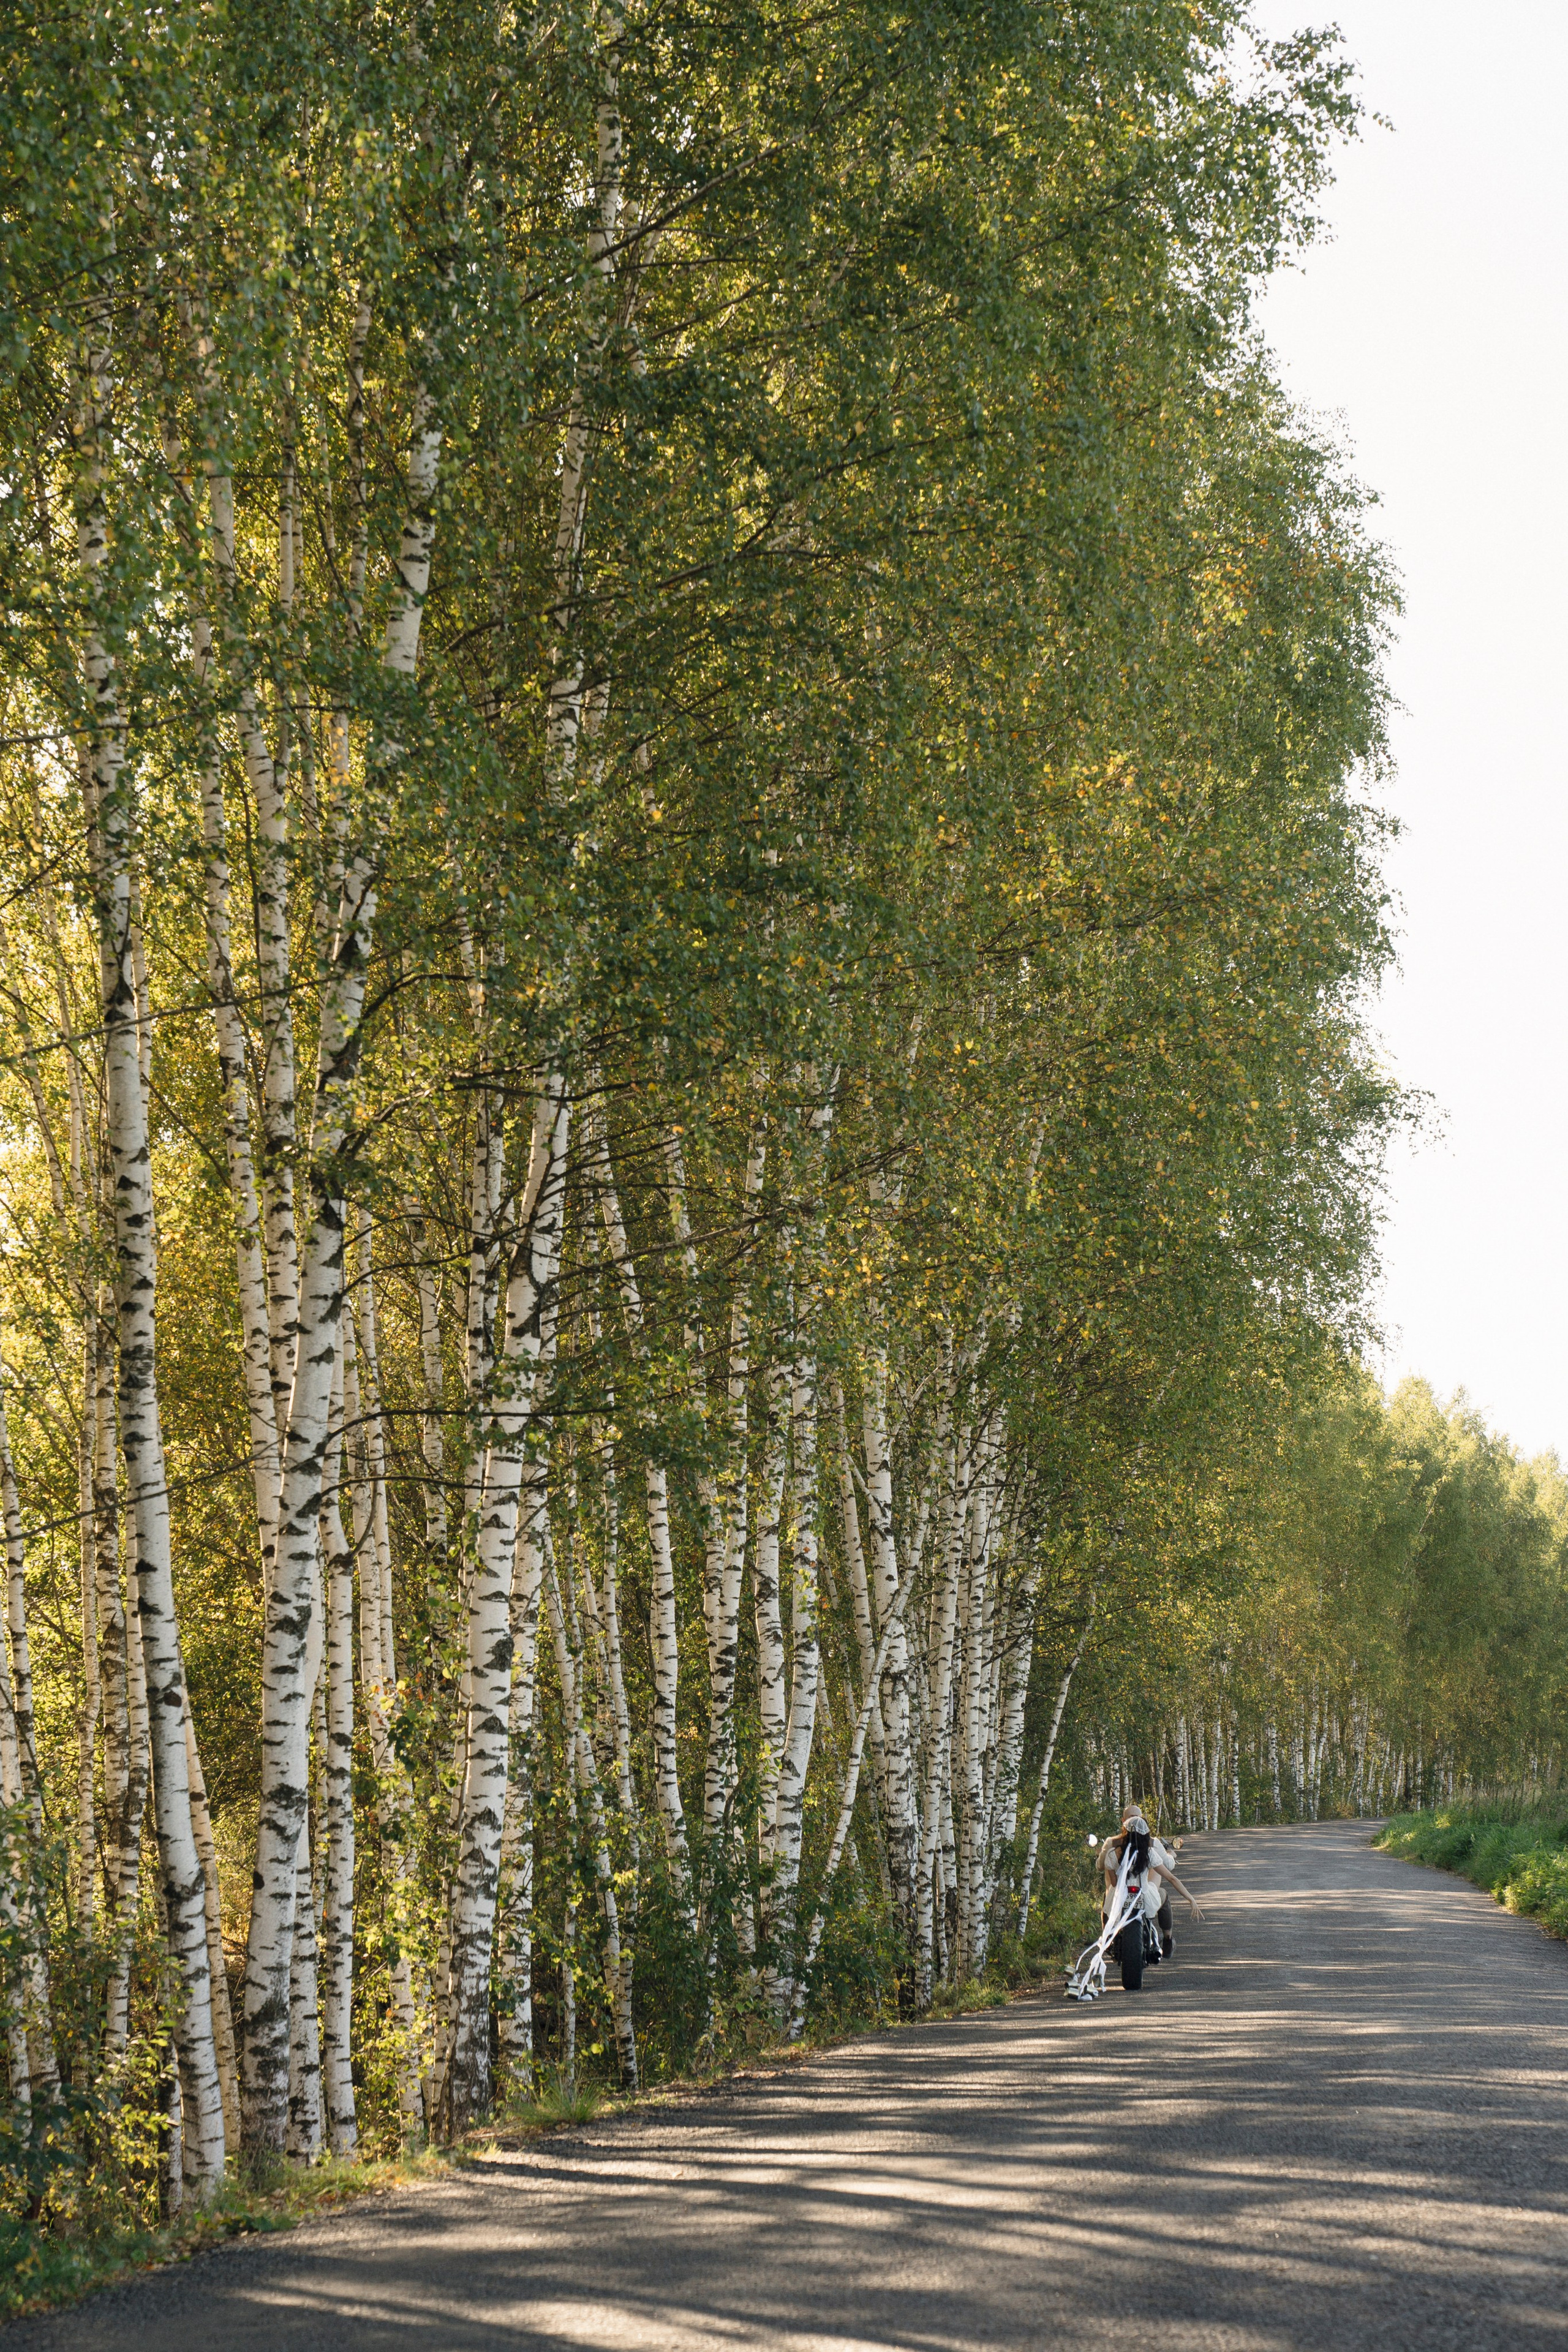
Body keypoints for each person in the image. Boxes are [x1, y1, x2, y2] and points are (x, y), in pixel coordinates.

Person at [1100, 1800, 1205, 1961]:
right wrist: (1191, 1899)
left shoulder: (1112, 1852)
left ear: (1124, 1827)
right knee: (1164, 1895)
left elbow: (1113, 1883)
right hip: (1145, 1894)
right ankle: (1168, 1939)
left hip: (1120, 1895)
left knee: (1107, 1899)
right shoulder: (1149, 1851)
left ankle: (1107, 1938)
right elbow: (1171, 1877)